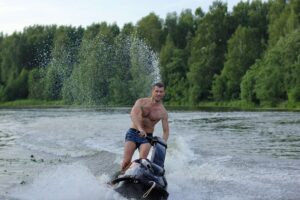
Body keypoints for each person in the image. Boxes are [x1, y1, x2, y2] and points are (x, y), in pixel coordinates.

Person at [121, 82, 169, 172]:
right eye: (157, 91)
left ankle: (135, 175)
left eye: (161, 92)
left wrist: (162, 144)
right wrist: (140, 129)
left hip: (147, 137)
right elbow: (133, 115)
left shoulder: (163, 112)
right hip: (133, 133)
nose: (158, 94)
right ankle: (120, 177)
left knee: (142, 161)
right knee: (126, 161)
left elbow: (166, 131)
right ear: (152, 91)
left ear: (164, 93)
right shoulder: (141, 102)